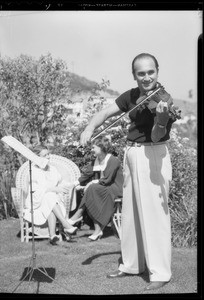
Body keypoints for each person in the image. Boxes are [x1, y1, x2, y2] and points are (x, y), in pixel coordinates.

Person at [80, 53, 179, 290]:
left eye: (150, 72)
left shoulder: (163, 100)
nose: (146, 77)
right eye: (141, 73)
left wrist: (162, 119)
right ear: (134, 75)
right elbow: (104, 113)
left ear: (157, 70)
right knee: (131, 213)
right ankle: (132, 264)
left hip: (153, 154)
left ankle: (160, 272)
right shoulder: (131, 96)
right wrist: (89, 127)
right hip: (132, 154)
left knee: (155, 215)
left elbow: (156, 135)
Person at [68, 136, 123, 241]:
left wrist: (90, 183)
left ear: (101, 148)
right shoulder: (96, 160)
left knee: (92, 188)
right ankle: (97, 230)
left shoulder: (113, 160)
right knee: (92, 190)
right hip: (103, 186)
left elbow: (107, 179)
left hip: (115, 187)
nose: (91, 150)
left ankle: (78, 214)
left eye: (93, 147)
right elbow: (87, 174)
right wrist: (74, 184)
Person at [23, 145, 78, 245]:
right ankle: (66, 225)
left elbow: (61, 183)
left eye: (48, 154)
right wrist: (53, 189)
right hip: (36, 201)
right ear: (38, 157)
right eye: (45, 155)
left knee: (50, 199)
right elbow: (35, 190)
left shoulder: (52, 169)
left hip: (53, 202)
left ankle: (52, 235)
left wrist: (73, 184)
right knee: (49, 196)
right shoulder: (33, 171)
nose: (48, 157)